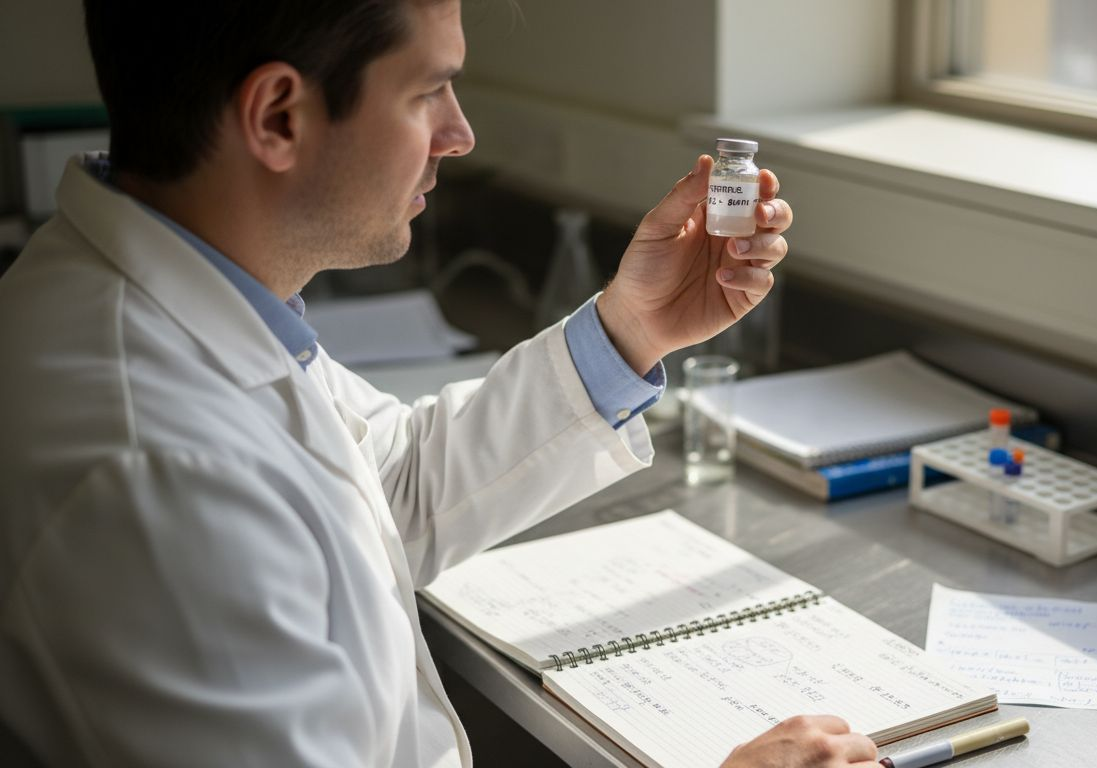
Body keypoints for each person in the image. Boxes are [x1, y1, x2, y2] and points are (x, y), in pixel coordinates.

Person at [0, 1, 881, 767]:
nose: (461, 134)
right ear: (277, 116)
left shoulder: (183, 297)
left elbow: (385, 487)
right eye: (429, 92)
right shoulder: (158, 470)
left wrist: (634, 328)